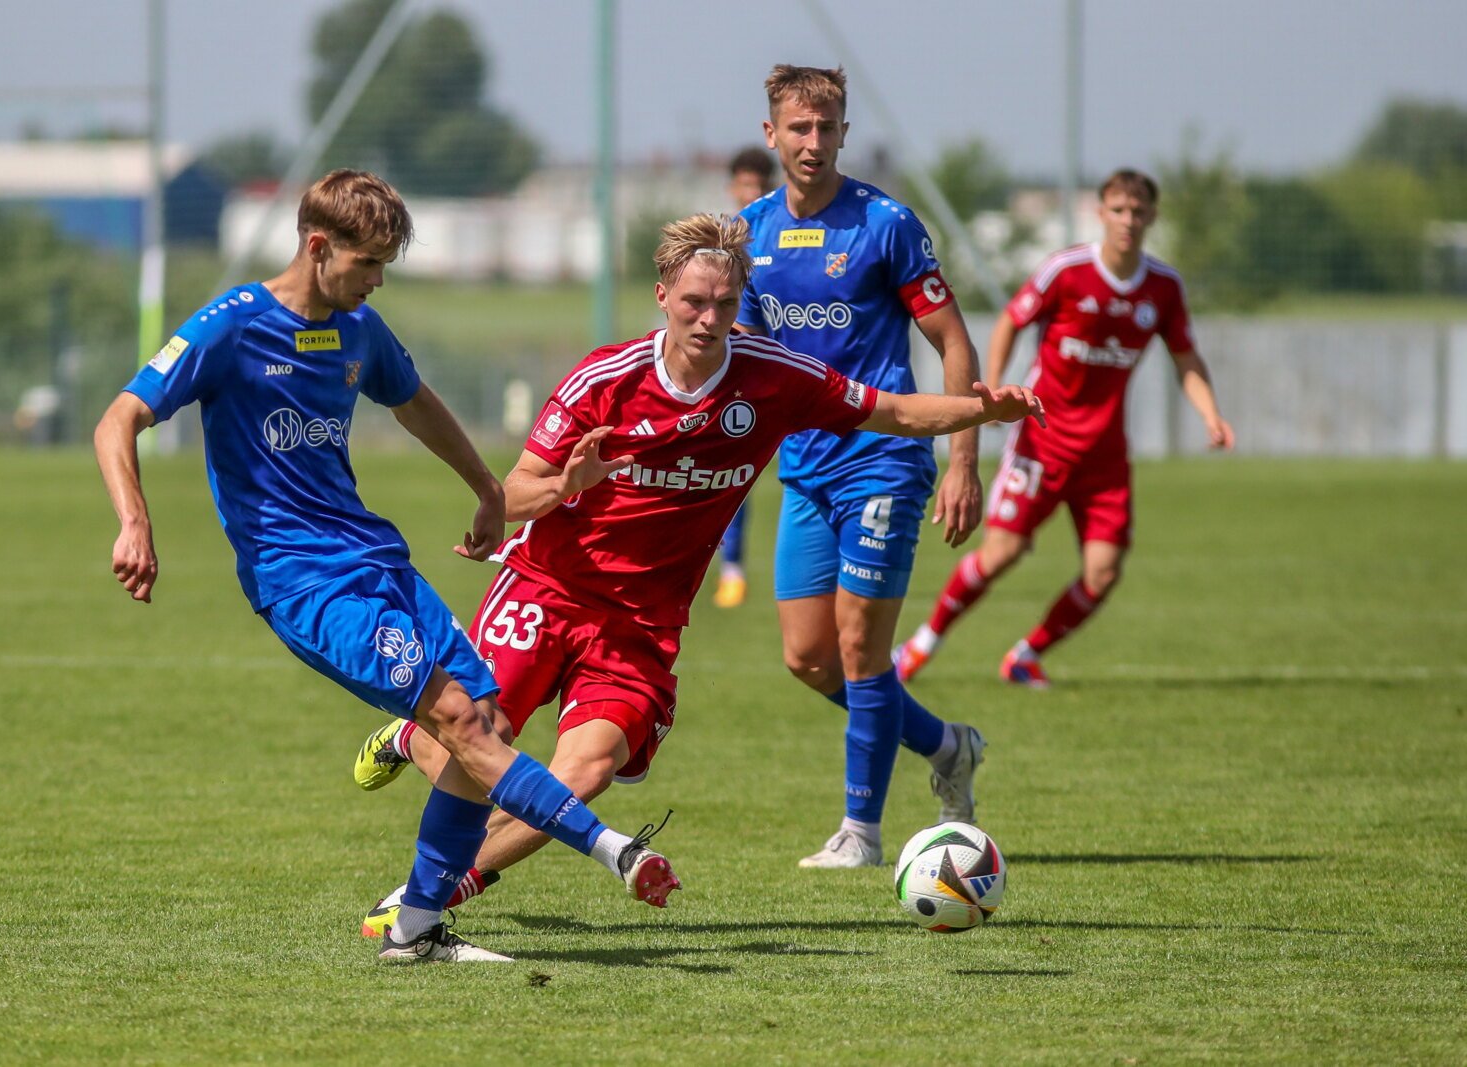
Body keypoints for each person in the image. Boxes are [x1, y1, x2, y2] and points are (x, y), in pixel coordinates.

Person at [353, 212, 1044, 935]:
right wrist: (572, 482)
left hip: (643, 625)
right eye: (693, 302)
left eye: (724, 303)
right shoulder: (606, 378)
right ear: (662, 297)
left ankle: (437, 892)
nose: (709, 318)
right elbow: (510, 491)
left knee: (584, 773)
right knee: (474, 741)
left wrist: (978, 411)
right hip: (547, 588)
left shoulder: (776, 378)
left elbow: (893, 409)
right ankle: (413, 741)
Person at [93, 169, 679, 966]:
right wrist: (135, 520)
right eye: (367, 264)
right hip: (303, 580)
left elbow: (414, 400)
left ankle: (417, 930)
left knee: (490, 720)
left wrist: (484, 487)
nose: (375, 282)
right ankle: (614, 852)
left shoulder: (358, 330)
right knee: (465, 725)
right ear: (316, 245)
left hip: (375, 558)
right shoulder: (228, 326)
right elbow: (119, 418)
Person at [736, 65, 989, 869]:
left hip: (885, 458)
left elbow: (953, 342)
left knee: (858, 649)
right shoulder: (749, 234)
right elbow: (742, 361)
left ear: (844, 132)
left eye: (828, 126)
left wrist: (962, 462)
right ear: (772, 134)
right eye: (798, 128)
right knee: (806, 657)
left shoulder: (887, 224)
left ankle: (862, 831)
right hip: (805, 469)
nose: (814, 142)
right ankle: (946, 746)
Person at [894, 169, 1234, 688]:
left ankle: (1026, 655)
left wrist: (1210, 414)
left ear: (1151, 217)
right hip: (1042, 441)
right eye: (1118, 210)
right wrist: (996, 384)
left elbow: (1186, 357)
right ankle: (920, 646)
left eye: (1138, 212)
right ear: (1101, 213)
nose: (1128, 221)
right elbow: (1011, 320)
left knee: (1104, 572)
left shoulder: (1163, 288)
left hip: (1105, 456)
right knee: (1001, 552)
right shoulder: (1067, 270)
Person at [713, 145, 779, 609]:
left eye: (759, 184)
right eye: (745, 184)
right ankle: (730, 569)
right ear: (734, 188)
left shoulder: (782, 236)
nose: (751, 192)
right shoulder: (720, 245)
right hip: (738, 380)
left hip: (785, 376)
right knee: (727, 472)